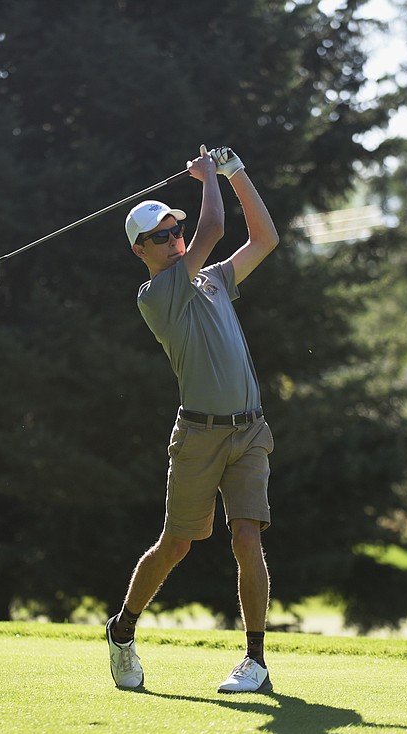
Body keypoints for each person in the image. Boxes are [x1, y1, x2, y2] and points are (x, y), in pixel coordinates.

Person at [106, 145, 280, 694]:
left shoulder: (213, 282)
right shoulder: (157, 294)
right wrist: (209, 178)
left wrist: (237, 173)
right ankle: (123, 628)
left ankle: (255, 660)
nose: (174, 239)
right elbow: (213, 226)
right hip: (199, 437)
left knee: (246, 536)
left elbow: (265, 239)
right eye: (160, 236)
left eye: (173, 230)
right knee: (178, 543)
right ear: (141, 251)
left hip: (249, 430)